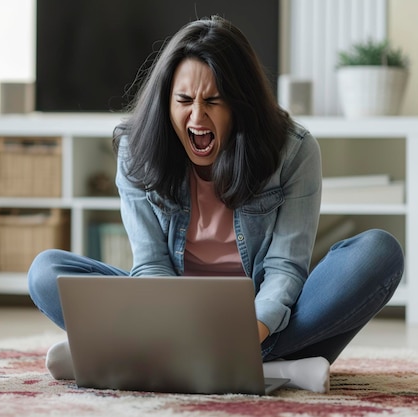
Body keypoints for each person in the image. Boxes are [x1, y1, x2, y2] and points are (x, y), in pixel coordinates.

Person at [28, 16, 405, 393]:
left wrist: (244, 336)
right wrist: (177, 331)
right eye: (184, 100)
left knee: (378, 252)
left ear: (241, 104)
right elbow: (151, 265)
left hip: (258, 322)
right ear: (166, 101)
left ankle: (134, 358)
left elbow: (284, 270)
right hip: (170, 320)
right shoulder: (136, 149)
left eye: (212, 101)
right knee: (46, 271)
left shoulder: (293, 150)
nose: (196, 116)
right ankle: (281, 369)